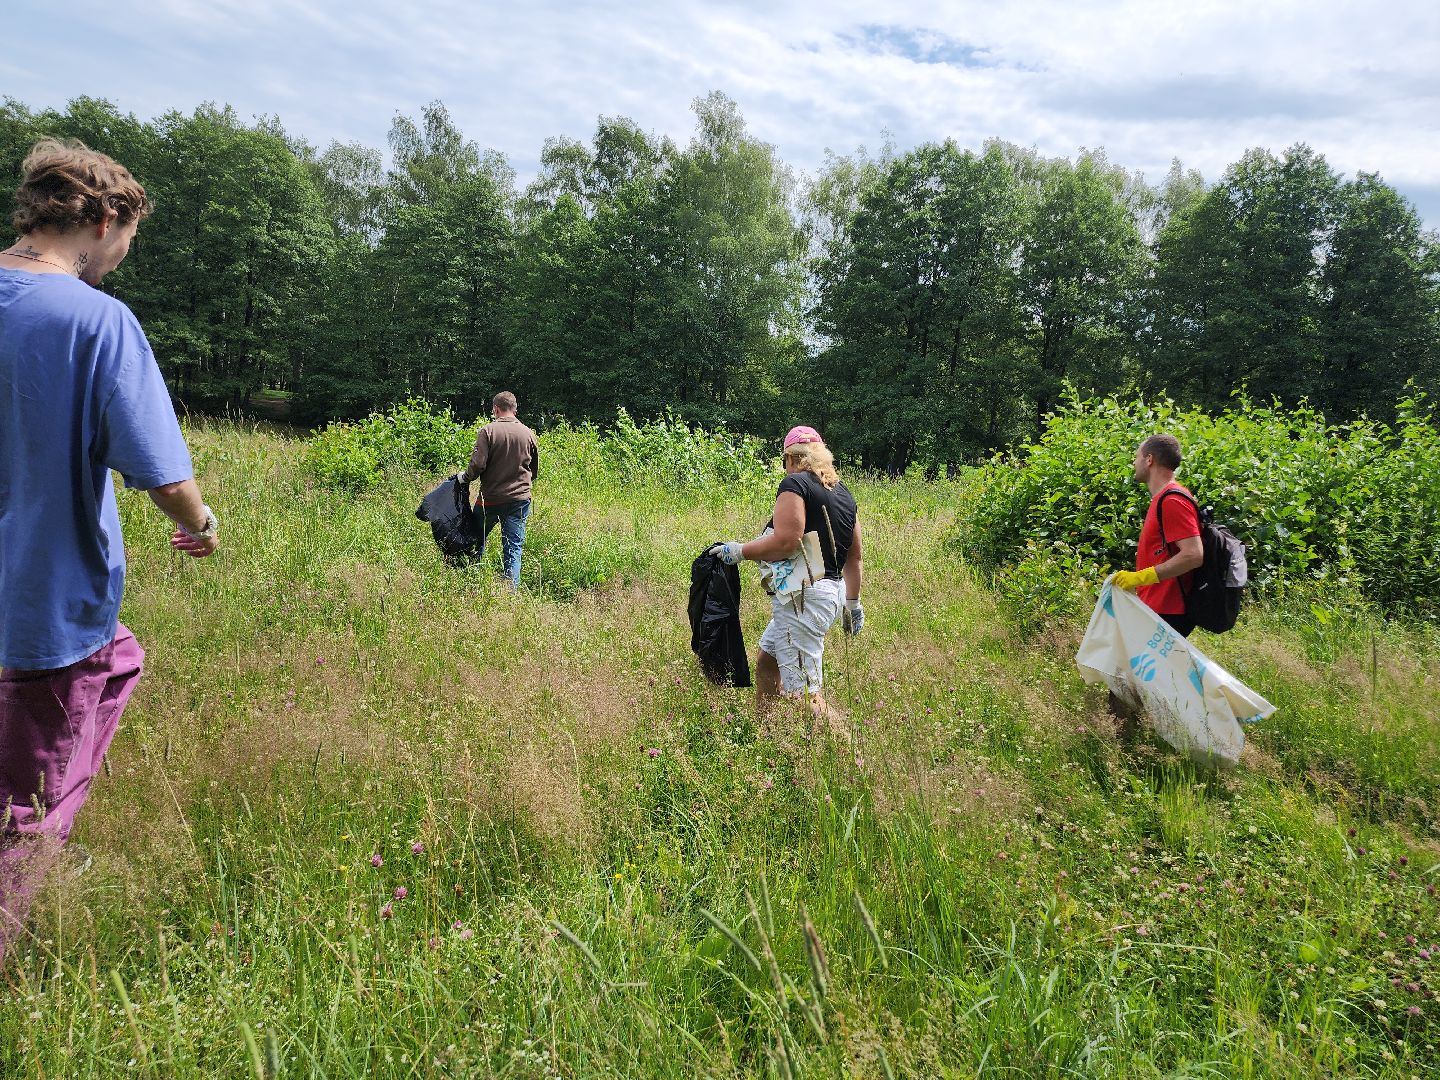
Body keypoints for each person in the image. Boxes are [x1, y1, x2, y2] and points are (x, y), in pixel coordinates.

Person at [0, 139, 219, 966]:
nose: (124, 257)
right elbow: (163, 475)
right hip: (40, 612)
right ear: (103, 218)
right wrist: (200, 523)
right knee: (26, 803)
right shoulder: (96, 321)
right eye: (128, 238)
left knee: (123, 658)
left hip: (50, 616)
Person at [710, 426, 863, 728]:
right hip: (827, 594)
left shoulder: (794, 484)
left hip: (803, 599)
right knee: (768, 660)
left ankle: (853, 753)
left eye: (784, 462)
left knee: (804, 695)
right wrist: (852, 604)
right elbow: (854, 556)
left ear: (791, 458)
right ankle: (767, 734)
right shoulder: (843, 492)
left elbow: (786, 541)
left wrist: (739, 551)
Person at [1111, 434, 1205, 636]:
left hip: (1168, 610)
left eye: (1137, 457)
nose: (1134, 462)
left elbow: (1193, 554)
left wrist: (1142, 577)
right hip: (1157, 607)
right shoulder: (1163, 498)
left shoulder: (1172, 500)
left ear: (1149, 459)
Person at [457, 391, 538, 590]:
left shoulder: (488, 431)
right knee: (513, 549)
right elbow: (533, 471)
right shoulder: (528, 433)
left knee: (476, 540)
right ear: (515, 409)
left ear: (495, 409)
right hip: (519, 500)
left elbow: (477, 465)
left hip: (490, 500)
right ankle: (510, 594)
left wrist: (464, 478)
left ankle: (471, 585)